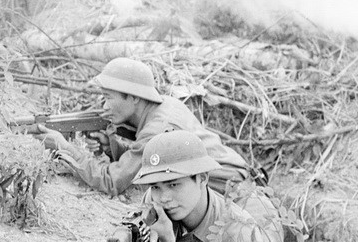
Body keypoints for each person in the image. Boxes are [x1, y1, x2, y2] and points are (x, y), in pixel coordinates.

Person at [133, 130, 301, 242]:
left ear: (202, 178)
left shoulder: (240, 235)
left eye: (174, 184)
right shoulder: (155, 201)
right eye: (156, 186)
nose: (163, 197)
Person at [36, 57, 250, 197]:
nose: (104, 105)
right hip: (234, 177)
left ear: (133, 97)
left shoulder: (157, 130)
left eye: (108, 97)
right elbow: (152, 159)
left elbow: (112, 183)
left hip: (232, 190)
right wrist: (113, 148)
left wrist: (63, 147)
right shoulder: (164, 105)